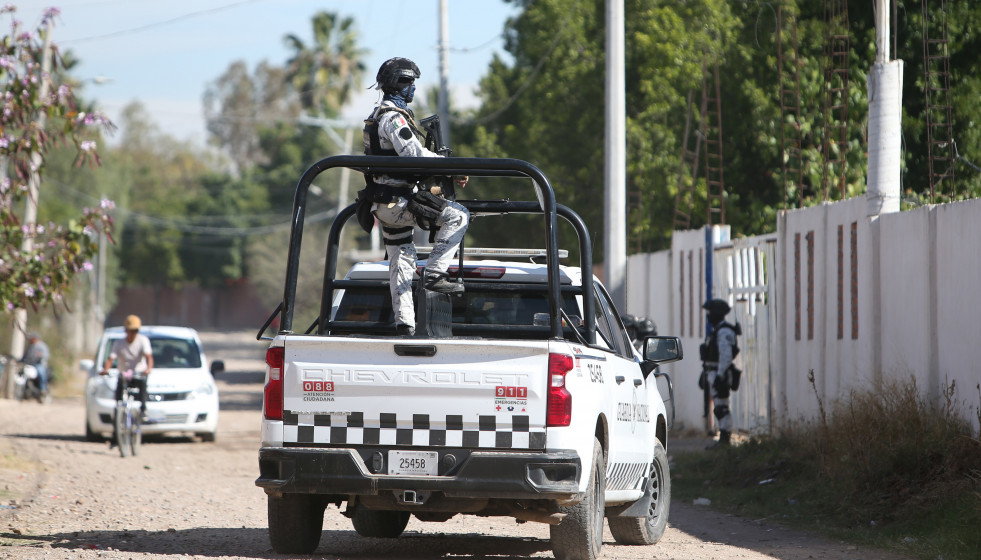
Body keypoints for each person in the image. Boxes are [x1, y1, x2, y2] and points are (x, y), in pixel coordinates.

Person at [358, 57, 470, 337]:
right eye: (409, 82)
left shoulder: (375, 117)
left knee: (401, 259)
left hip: (384, 203)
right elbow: (414, 155)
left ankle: (405, 323)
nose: (413, 89)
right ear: (397, 84)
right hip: (399, 201)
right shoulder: (393, 118)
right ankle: (434, 274)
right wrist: (453, 169)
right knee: (458, 216)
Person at [699, 299, 741, 448]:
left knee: (722, 407)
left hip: (719, 373)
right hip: (712, 371)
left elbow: (725, 355)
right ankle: (723, 438)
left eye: (710, 313)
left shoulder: (724, 331)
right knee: (718, 406)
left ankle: (725, 439)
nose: (708, 316)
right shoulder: (717, 330)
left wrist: (720, 375)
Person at [101, 315, 153, 419]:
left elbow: (149, 357)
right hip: (124, 374)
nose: (133, 333)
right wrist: (105, 370)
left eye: (136, 331)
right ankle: (117, 414)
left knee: (143, 385)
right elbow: (111, 359)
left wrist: (148, 369)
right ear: (126, 330)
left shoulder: (143, 340)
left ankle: (143, 409)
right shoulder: (118, 343)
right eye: (131, 330)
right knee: (119, 392)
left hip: (138, 373)